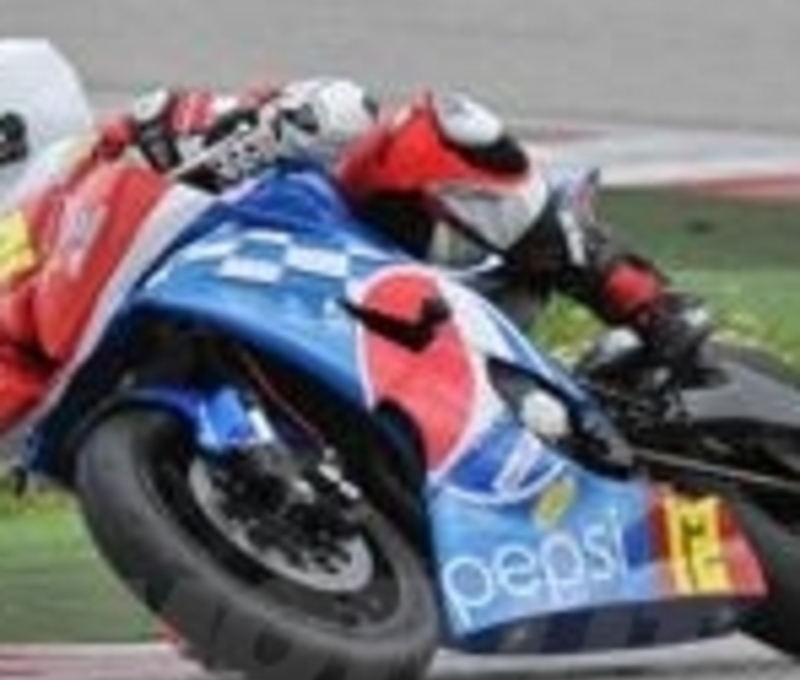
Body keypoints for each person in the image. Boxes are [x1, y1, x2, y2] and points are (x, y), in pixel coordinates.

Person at [0, 68, 709, 434]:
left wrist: (266, 129)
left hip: (336, 267)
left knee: (424, 133)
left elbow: (336, 105)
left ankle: (641, 300)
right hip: (196, 377)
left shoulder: (117, 145)